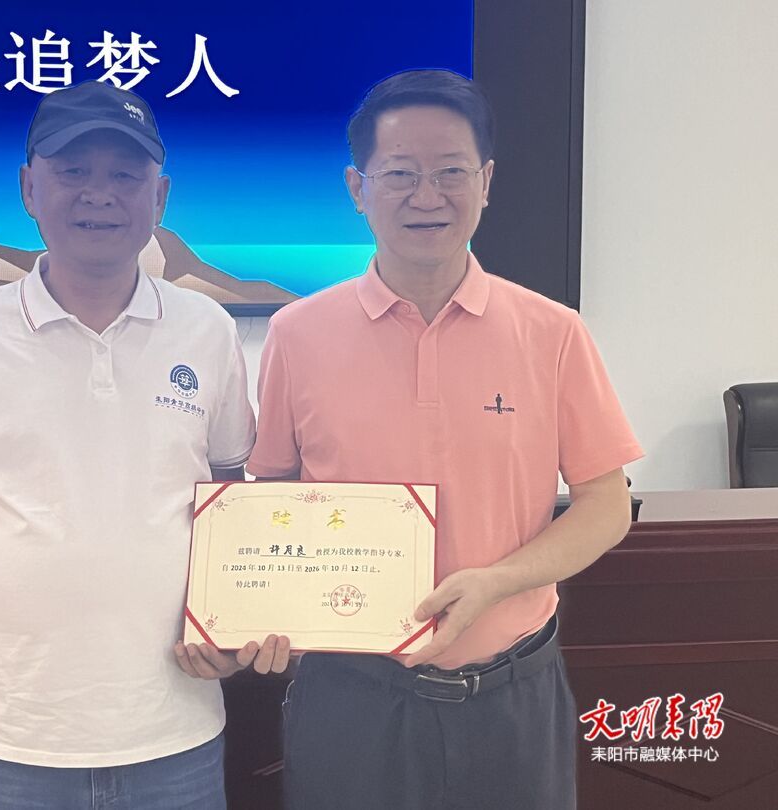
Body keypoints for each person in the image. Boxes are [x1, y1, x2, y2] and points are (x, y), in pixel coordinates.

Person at [243, 70, 644, 809]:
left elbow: (606, 504)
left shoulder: (552, 332)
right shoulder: (297, 335)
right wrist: (264, 606)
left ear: (486, 182)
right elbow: (272, 496)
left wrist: (495, 581)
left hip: (510, 693)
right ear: (357, 188)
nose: (426, 196)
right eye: (399, 173)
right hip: (351, 698)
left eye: (451, 172)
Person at [0, 80, 262, 810]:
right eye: (73, 171)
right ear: (29, 188)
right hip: (8, 740)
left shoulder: (208, 331)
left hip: (177, 733)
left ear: (160, 197)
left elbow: (229, 509)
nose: (100, 194)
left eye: (125, 175)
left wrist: (232, 622)